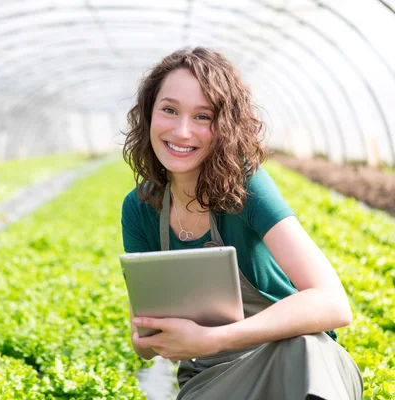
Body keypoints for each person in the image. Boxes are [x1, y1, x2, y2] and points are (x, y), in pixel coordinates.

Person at [120, 47, 363, 400]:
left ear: (225, 127)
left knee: (306, 349)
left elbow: (333, 303)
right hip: (211, 375)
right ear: (149, 114)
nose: (182, 131)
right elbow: (142, 345)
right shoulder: (140, 207)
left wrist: (213, 338)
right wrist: (153, 336)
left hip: (293, 361)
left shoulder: (246, 186)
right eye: (169, 110)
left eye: (203, 117)